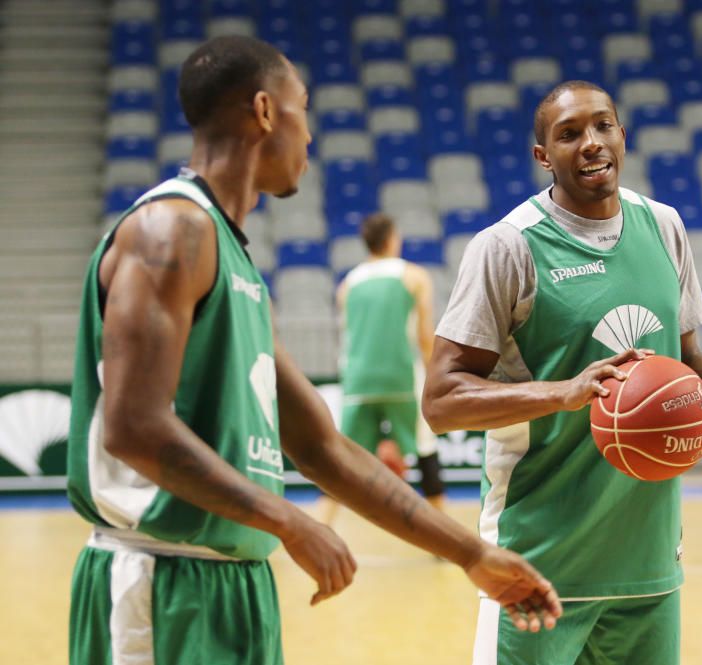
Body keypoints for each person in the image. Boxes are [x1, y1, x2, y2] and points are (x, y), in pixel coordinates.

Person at [65, 36, 560, 665]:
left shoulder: (232, 256)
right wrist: (290, 521)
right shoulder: (171, 230)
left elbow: (321, 446)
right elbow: (133, 427)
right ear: (266, 111)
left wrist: (472, 554)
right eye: (305, 110)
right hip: (159, 582)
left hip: (237, 582)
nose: (312, 137)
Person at [422, 80, 702, 665]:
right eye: (569, 133)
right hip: (538, 560)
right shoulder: (508, 247)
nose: (590, 143)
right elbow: (442, 400)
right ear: (543, 156)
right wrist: (565, 393)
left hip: (648, 559)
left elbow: (682, 352)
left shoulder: (663, 227)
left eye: (602, 126)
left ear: (622, 135)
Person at [315, 213, 446, 524]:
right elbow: (424, 336)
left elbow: (348, 337)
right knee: (426, 451)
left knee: (341, 459)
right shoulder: (413, 276)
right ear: (392, 239)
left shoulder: (347, 284)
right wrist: (434, 374)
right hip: (399, 376)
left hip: (358, 381)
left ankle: (321, 525)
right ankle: (445, 534)